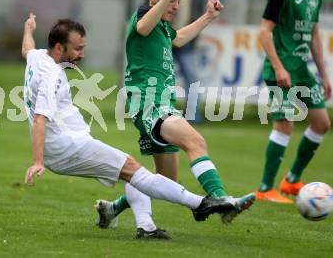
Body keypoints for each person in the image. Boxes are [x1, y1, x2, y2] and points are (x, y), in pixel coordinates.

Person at [21, 12, 246, 240]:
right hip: (68, 146)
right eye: (77, 48)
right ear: (59, 48)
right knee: (134, 170)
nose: (81, 54)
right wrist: (37, 162)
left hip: (61, 148)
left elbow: (26, 49)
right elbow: (40, 118)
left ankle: (145, 225)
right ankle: (202, 204)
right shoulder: (52, 77)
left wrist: (28, 29)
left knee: (129, 171)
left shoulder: (38, 57)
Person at [96, 0, 255, 232]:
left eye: (179, 0)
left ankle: (112, 208)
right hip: (150, 105)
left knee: (165, 181)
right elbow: (142, 28)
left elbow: (178, 38)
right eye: (172, 0)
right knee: (196, 142)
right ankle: (222, 199)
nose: (176, 6)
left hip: (163, 104)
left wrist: (207, 17)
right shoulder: (142, 18)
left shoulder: (162, 27)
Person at [256, 0, 332, 203]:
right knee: (285, 125)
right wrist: (278, 66)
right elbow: (264, 31)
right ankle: (265, 189)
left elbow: (315, 36)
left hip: (302, 71)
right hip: (280, 70)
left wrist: (324, 74)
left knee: (322, 123)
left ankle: (291, 181)